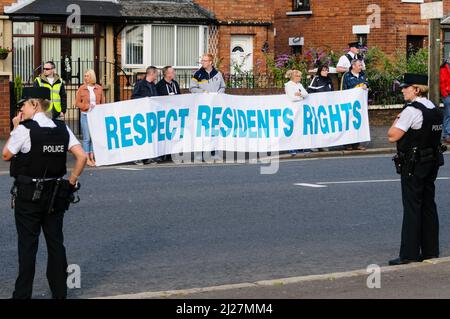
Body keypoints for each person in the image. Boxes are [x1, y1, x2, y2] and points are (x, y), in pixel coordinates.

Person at [2, 87, 87, 299]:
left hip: (29, 195)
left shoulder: (25, 129)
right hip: (56, 194)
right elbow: (82, 157)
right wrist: (72, 181)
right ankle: (59, 293)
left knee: (28, 247)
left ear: (35, 104)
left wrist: (15, 127)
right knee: (55, 243)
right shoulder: (61, 128)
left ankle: (22, 296)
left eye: (23, 104)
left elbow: (6, 154)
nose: (21, 108)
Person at [387, 73, 445, 265]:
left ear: (417, 89)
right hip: (432, 161)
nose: (403, 90)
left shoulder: (411, 111)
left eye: (407, 87)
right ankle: (430, 251)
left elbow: (392, 136)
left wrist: (397, 119)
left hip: (414, 163)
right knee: (428, 205)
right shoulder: (434, 108)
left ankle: (409, 254)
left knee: (412, 206)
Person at [190, 53, 225, 162]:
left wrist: (218, 94)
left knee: (214, 129)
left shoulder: (218, 74)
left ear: (210, 62)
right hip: (202, 107)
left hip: (215, 106)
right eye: (202, 61)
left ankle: (212, 152)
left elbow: (223, 86)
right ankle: (199, 154)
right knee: (201, 130)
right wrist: (204, 93)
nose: (202, 62)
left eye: (205, 61)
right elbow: (192, 88)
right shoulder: (197, 74)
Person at [75, 69, 105, 167]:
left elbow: (103, 103)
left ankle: (92, 156)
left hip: (96, 116)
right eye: (85, 76)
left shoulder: (99, 88)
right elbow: (77, 103)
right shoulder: (81, 88)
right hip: (85, 115)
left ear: (92, 77)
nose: (85, 78)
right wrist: (87, 106)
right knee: (87, 138)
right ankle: (86, 158)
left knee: (93, 137)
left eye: (87, 76)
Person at [131, 66, 160, 164]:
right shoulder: (140, 84)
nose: (157, 75)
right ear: (152, 73)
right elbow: (134, 97)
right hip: (141, 114)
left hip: (151, 114)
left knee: (150, 136)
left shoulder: (153, 85)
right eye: (156, 73)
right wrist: (145, 98)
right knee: (141, 136)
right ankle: (138, 157)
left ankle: (148, 156)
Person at [341, 59, 368, 151]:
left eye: (361, 65)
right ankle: (347, 144)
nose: (361, 67)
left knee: (358, 123)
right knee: (348, 123)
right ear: (353, 66)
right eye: (359, 65)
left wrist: (365, 85)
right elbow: (343, 89)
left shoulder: (363, 75)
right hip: (349, 103)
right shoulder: (346, 76)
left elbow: (367, 83)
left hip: (359, 104)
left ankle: (357, 144)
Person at [284, 69, 309, 155]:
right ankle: (292, 148)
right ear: (293, 77)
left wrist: (300, 94)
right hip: (292, 110)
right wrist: (301, 96)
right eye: (298, 76)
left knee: (300, 128)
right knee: (293, 128)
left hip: (300, 109)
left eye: (300, 76)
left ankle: (300, 146)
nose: (300, 78)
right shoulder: (288, 85)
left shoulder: (299, 84)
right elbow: (292, 98)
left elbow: (306, 94)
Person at [439, 58, 450, 144]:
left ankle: (446, 135)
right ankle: (447, 135)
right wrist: (445, 94)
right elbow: (442, 82)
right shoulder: (443, 68)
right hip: (447, 94)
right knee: (448, 114)